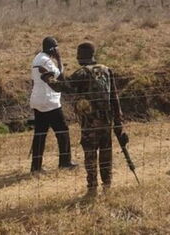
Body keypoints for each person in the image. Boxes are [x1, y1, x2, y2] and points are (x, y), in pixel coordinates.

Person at [38, 42, 128, 197]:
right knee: (106, 154)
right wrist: (118, 122)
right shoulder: (107, 70)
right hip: (107, 121)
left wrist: (47, 77)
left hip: (90, 123)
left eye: (78, 54)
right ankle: (107, 186)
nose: (77, 57)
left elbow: (63, 87)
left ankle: (92, 188)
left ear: (82, 56)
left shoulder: (82, 73)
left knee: (90, 155)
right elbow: (115, 97)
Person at [29, 36, 78, 172]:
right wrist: (59, 59)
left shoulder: (37, 58)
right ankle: (65, 162)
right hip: (49, 101)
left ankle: (36, 167)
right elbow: (61, 76)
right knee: (62, 130)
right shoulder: (47, 61)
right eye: (56, 47)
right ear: (53, 49)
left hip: (37, 100)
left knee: (40, 133)